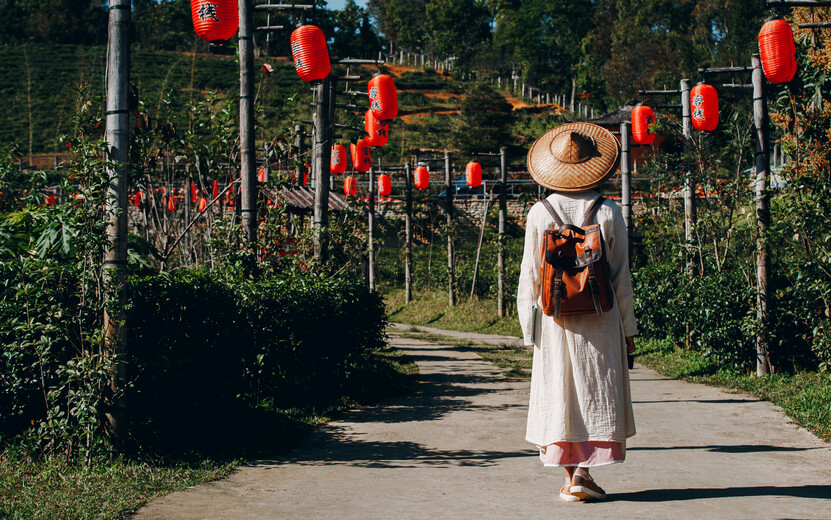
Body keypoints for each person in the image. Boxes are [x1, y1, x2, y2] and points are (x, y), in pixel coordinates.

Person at [517, 122, 638, 502]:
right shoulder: (609, 211)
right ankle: (583, 474)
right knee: (594, 388)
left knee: (559, 391)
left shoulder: (540, 212)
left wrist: (528, 329)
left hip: (554, 318)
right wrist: (628, 328)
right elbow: (620, 275)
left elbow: (530, 276)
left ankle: (572, 476)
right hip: (600, 316)